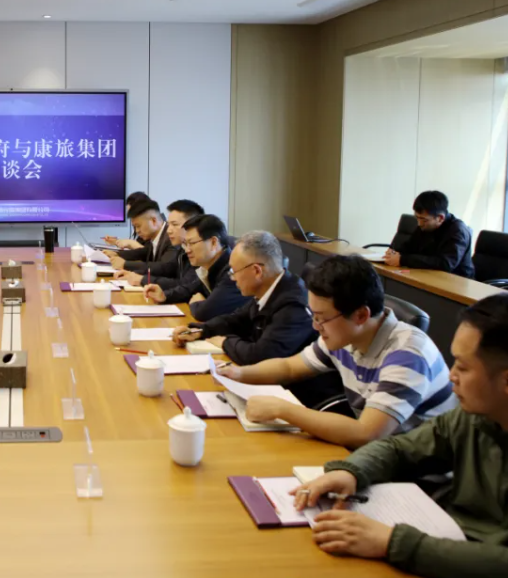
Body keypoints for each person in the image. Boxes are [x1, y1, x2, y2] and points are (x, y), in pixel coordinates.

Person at [293, 294, 508, 577]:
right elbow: (399, 449)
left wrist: (392, 542)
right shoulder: (473, 416)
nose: (451, 375)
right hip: (447, 541)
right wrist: (351, 472)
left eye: (463, 367)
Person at [218, 255, 458, 448]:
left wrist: (282, 410)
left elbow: (366, 433)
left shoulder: (408, 354)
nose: (315, 326)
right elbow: (289, 367)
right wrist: (238, 374)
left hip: (420, 478)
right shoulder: (345, 336)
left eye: (321, 318)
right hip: (381, 456)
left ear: (361, 315)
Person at [174, 231, 342, 407]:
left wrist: (225, 342)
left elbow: (261, 356)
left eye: (234, 271)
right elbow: (236, 319)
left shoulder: (293, 305)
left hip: (303, 400)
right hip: (274, 390)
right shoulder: (270, 290)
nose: (232, 278)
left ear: (256, 271)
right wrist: (201, 330)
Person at [143, 214, 248, 322]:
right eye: (186, 244)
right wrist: (164, 295)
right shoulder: (208, 266)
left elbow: (204, 313)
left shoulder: (232, 272)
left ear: (213, 242)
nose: (187, 250)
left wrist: (196, 303)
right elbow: (188, 289)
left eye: (192, 243)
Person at [385, 190, 474, 278]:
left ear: (440, 218)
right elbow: (410, 246)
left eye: (423, 219)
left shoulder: (458, 231)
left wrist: (403, 260)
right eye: (417, 218)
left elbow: (445, 264)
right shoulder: (424, 225)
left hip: (457, 280)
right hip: (429, 275)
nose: (419, 223)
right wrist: (394, 252)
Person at [114, 199, 203, 287]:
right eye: (169, 224)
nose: (169, 230)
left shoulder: (175, 243)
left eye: (175, 224)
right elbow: (143, 252)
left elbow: (166, 268)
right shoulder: (180, 246)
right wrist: (134, 273)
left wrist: (141, 278)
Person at [105, 199, 177, 272]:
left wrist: (125, 264)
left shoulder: (171, 237)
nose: (137, 231)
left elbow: (164, 267)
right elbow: (144, 252)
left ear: (153, 221)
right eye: (135, 227)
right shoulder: (155, 236)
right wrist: (117, 254)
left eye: (138, 226)